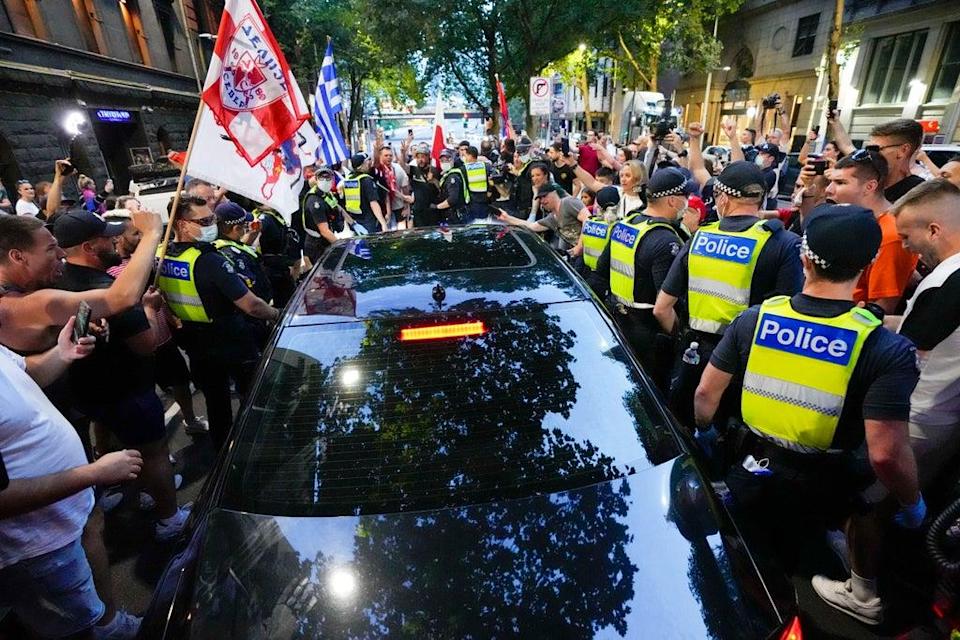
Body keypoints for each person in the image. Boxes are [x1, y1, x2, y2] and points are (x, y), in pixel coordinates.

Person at [694, 206, 921, 626]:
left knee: (747, 577)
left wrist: (703, 432)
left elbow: (707, 392)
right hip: (831, 486)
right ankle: (861, 593)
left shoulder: (754, 319)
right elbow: (887, 454)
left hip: (754, 471)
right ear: (868, 264)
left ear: (803, 259)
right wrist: (912, 501)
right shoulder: (885, 348)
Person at [0, 314, 145, 639]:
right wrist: (93, 473)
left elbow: (28, 372)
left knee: (89, 611)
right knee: (76, 628)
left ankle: (110, 627)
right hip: (35, 551)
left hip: (58, 525)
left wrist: (64, 352)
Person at [51, 210, 191, 541]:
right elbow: (147, 344)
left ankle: (136, 489)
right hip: (128, 389)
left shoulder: (57, 282)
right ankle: (168, 518)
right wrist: (147, 308)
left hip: (88, 389)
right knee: (154, 452)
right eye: (106, 237)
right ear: (89, 246)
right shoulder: (108, 290)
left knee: (120, 442)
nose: (114, 240)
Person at [654, 161, 803, 426]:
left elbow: (662, 308)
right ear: (761, 197)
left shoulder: (699, 238)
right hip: (749, 368)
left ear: (722, 198)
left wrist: (680, 339)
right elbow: (789, 317)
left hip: (694, 356)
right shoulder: (785, 244)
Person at [157, 195, 279, 448]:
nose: (211, 224)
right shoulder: (207, 260)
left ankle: (222, 450)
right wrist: (277, 316)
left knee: (217, 404)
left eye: (212, 218)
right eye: (204, 220)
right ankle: (259, 449)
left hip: (195, 342)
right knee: (254, 397)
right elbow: (251, 305)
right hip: (230, 339)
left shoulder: (163, 257)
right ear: (181, 224)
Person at [101, 209, 208, 437]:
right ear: (118, 238)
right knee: (149, 396)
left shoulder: (146, 261)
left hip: (164, 337)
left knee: (180, 381)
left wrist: (169, 316)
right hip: (140, 342)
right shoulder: (111, 272)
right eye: (135, 234)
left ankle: (190, 420)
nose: (141, 239)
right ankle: (156, 442)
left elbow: (159, 293)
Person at [889, 179, 960, 489]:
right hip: (942, 415)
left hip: (916, 419)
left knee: (872, 511)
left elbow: (908, 353)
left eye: (906, 237)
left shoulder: (944, 282)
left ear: (934, 230)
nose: (905, 247)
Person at [589, 169, 687, 392]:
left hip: (617, 322)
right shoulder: (665, 239)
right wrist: (678, 336)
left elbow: (599, 275)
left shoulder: (626, 224)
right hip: (649, 337)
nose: (687, 203)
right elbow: (664, 308)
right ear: (673, 200)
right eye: (684, 197)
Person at [824, 150, 918, 313]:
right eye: (831, 182)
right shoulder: (860, 220)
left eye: (840, 183)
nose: (829, 190)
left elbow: (881, 309)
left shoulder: (890, 235)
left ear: (870, 186)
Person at [830, 117, 926, 202]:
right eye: (868, 149)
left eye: (876, 149)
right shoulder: (868, 174)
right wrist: (835, 121)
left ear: (903, 150)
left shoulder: (918, 193)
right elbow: (847, 146)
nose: (871, 154)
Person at [497, 183, 588, 250]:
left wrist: (579, 246)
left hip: (594, 247)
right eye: (540, 198)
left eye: (544, 196)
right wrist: (507, 218)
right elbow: (532, 226)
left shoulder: (568, 202)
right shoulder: (552, 218)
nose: (542, 201)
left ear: (554, 193)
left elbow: (588, 219)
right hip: (584, 253)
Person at [214, 202, 272, 304]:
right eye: (245, 225)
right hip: (253, 312)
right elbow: (251, 288)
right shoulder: (232, 255)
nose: (247, 228)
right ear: (236, 228)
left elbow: (239, 246)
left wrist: (252, 235)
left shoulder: (221, 243)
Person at [300, 167, 344, 261]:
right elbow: (324, 231)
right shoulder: (315, 201)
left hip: (325, 241)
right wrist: (341, 247)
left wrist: (353, 223)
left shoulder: (326, 195)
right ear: (315, 179)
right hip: (317, 245)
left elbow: (336, 207)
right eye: (321, 177)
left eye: (328, 177)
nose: (325, 180)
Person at [341, 153, 387, 234]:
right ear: (361, 165)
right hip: (369, 221)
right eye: (367, 161)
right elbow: (373, 203)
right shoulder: (366, 180)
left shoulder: (349, 179)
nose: (369, 163)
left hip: (355, 220)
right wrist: (383, 223)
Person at [434, 148, 470, 222]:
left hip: (455, 216)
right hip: (454, 215)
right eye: (442, 160)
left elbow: (452, 200)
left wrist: (436, 207)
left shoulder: (453, 177)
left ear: (453, 160)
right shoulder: (448, 175)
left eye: (447, 159)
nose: (444, 162)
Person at [462, 146, 490, 223]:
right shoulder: (485, 166)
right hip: (485, 199)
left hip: (473, 200)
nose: (465, 158)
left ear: (470, 155)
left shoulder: (464, 168)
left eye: (466, 155)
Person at [754, 142, 782, 210]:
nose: (759, 156)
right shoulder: (755, 169)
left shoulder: (771, 174)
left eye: (762, 154)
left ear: (771, 158)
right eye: (759, 153)